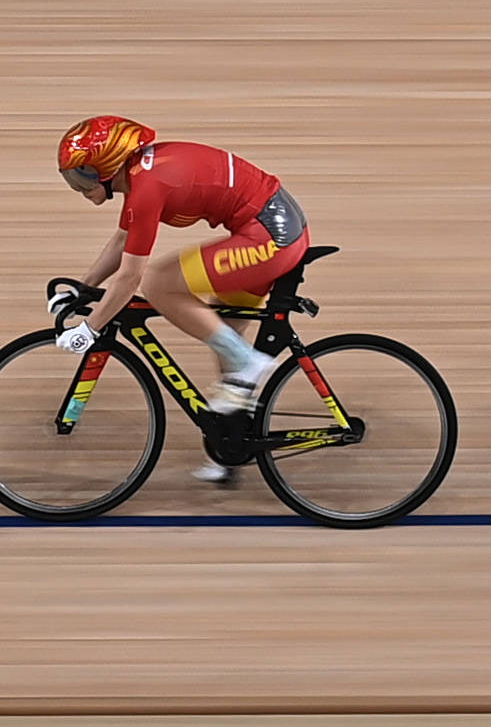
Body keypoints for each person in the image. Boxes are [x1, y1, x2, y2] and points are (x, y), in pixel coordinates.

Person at [48, 116, 312, 486]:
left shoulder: (147, 186)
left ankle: (249, 362)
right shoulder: (140, 175)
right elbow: (123, 241)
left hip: (271, 237)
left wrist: (91, 328)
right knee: (226, 344)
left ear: (109, 165)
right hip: (268, 228)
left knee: (159, 282)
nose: (79, 186)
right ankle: (230, 448)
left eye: (84, 176)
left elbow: (131, 277)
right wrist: (82, 287)